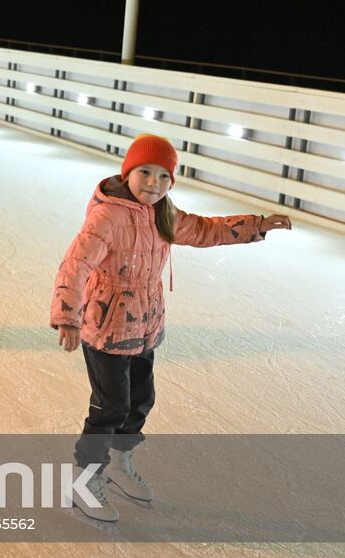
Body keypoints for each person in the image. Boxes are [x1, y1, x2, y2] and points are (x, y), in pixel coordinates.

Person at [51, 134, 292, 523]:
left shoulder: (163, 214)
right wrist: (67, 316)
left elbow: (206, 230)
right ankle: (83, 480)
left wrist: (256, 225)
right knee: (109, 407)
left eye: (164, 177)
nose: (153, 183)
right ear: (128, 172)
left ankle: (117, 463)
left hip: (144, 327)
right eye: (145, 172)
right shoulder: (108, 216)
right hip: (105, 330)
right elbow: (75, 265)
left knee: (140, 401)